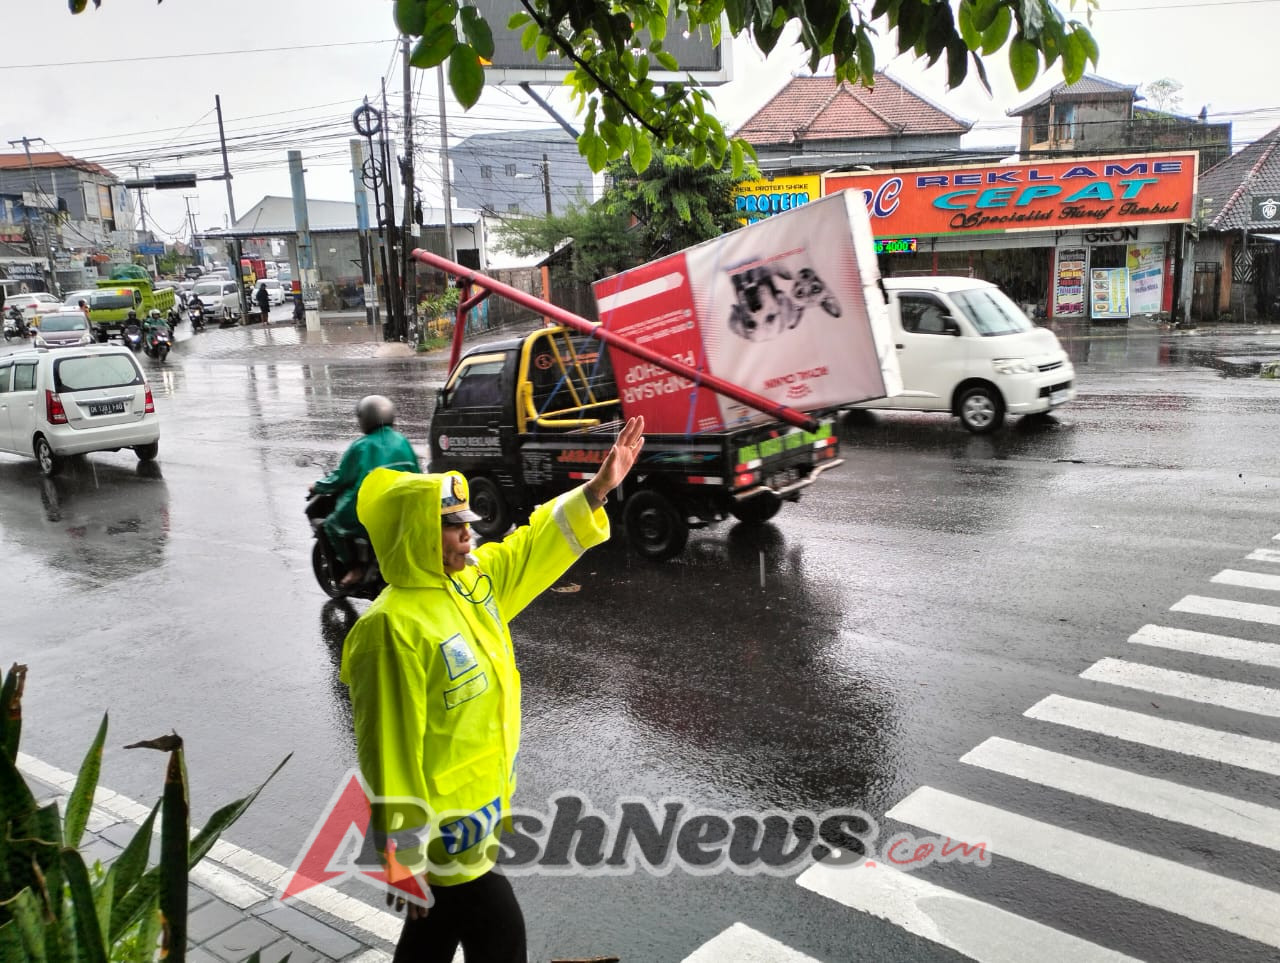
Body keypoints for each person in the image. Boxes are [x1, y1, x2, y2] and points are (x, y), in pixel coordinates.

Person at [339, 416, 644, 963]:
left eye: (467, 521)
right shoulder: (390, 629)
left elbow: (531, 548)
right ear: (416, 535)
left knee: (433, 934)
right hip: (443, 835)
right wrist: (403, 855)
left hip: (481, 816)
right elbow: (388, 752)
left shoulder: (473, 585)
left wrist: (597, 490)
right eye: (452, 525)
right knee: (501, 936)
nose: (469, 533)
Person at [310, 395, 420, 588]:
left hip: (369, 508)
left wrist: (317, 486)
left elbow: (341, 478)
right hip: (402, 507)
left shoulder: (361, 446)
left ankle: (355, 568)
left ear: (365, 418)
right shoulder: (403, 441)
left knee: (332, 525)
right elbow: (417, 473)